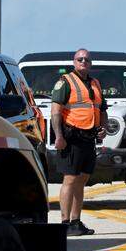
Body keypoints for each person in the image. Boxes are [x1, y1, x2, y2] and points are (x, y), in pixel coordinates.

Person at [51, 49, 107, 236]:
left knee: (82, 179)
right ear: (74, 62)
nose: (84, 62)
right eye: (80, 59)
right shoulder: (65, 82)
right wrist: (59, 136)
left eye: (87, 60)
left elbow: (102, 109)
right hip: (71, 137)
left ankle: (76, 221)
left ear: (91, 63)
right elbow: (56, 112)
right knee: (70, 179)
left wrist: (103, 128)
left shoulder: (95, 83)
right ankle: (65, 223)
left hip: (88, 137)